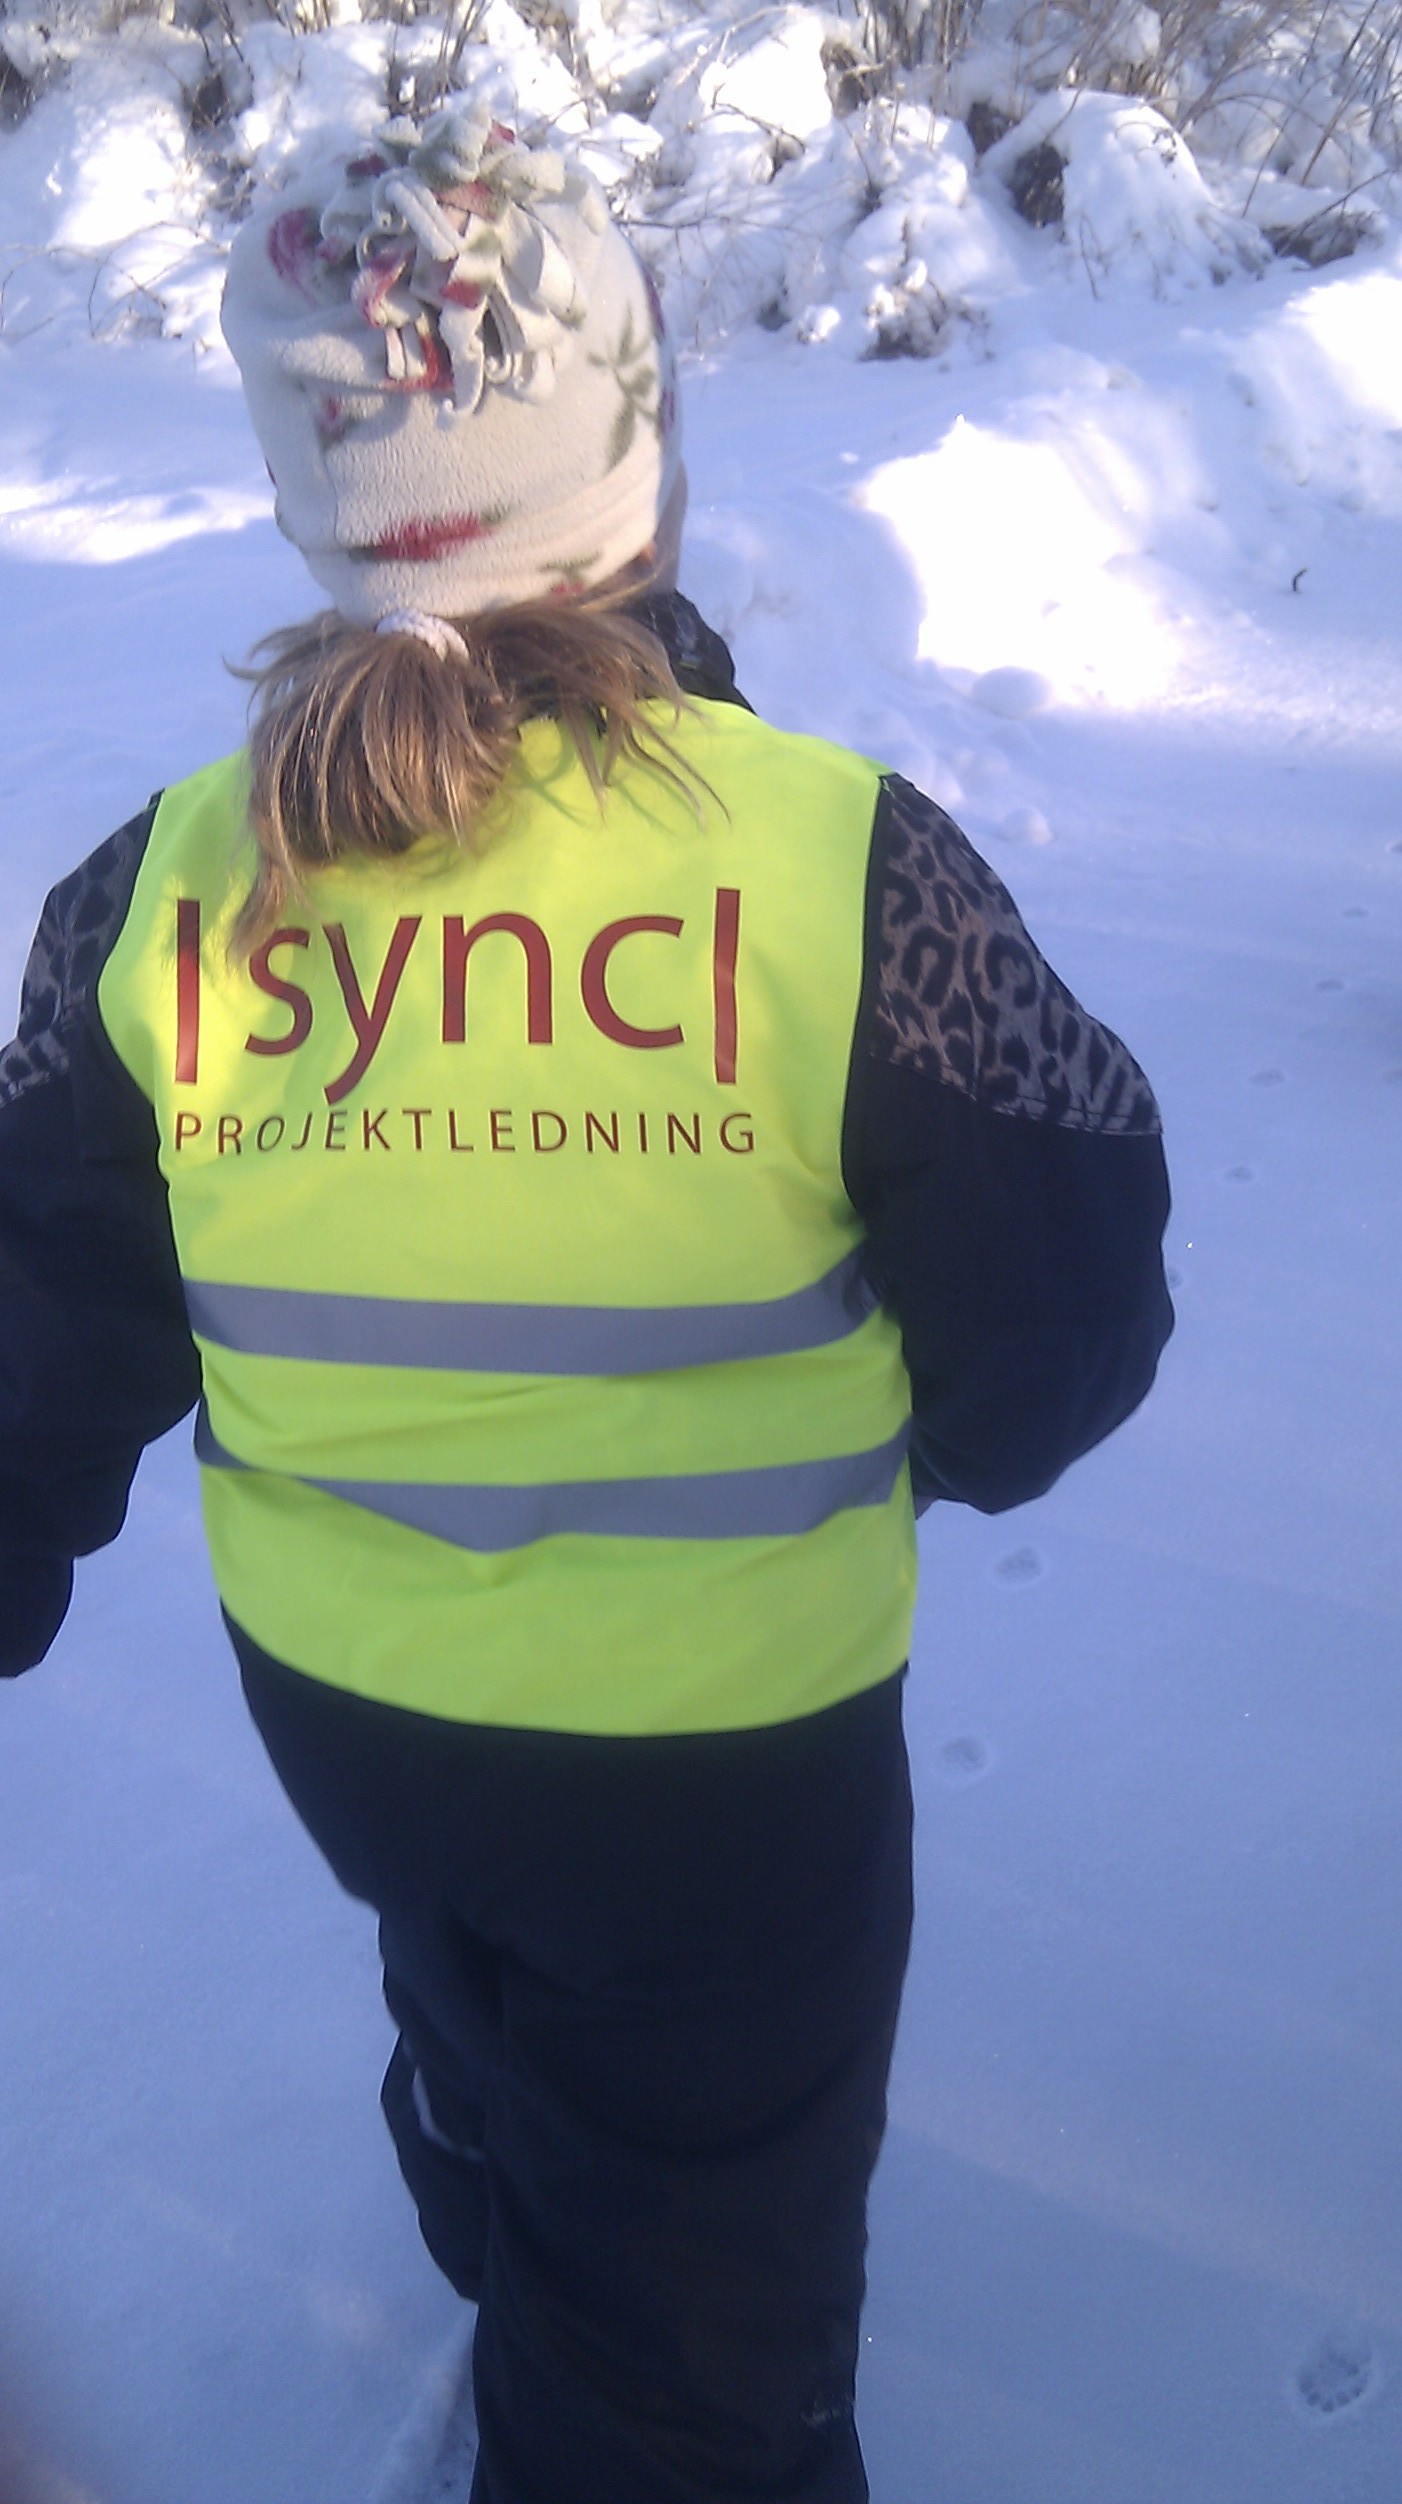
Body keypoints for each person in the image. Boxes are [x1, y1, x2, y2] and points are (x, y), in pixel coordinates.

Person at [0, 107, 1173, 2504]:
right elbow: (1067, 1298)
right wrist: (944, 1449)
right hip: (723, 1770)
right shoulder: (836, 870)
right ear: (633, 474)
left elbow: (28, 1307)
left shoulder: (156, 893)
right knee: (689, 2342)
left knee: (469, 1973)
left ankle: (492, 2167)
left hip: (351, 1720)